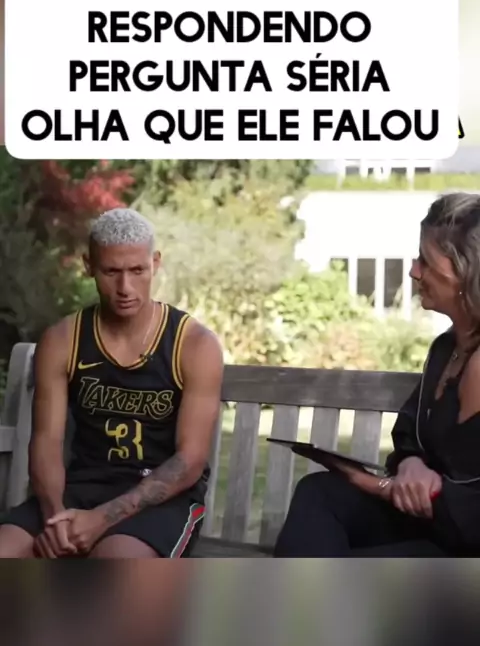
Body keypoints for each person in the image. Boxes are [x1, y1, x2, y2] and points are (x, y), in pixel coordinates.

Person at [0, 208, 223, 558]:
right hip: (80, 489)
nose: (125, 288)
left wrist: (101, 520)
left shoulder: (194, 344)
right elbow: (46, 443)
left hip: (161, 500)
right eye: (111, 272)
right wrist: (56, 520)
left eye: (137, 271)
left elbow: (189, 461)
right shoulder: (63, 340)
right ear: (89, 266)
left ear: (155, 263)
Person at [274, 191, 480, 557]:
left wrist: (376, 485)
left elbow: (469, 515)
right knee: (320, 493)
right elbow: (410, 433)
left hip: (463, 542)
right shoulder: (445, 349)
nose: (414, 271)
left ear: (467, 273)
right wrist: (412, 464)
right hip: (426, 524)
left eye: (426, 260)